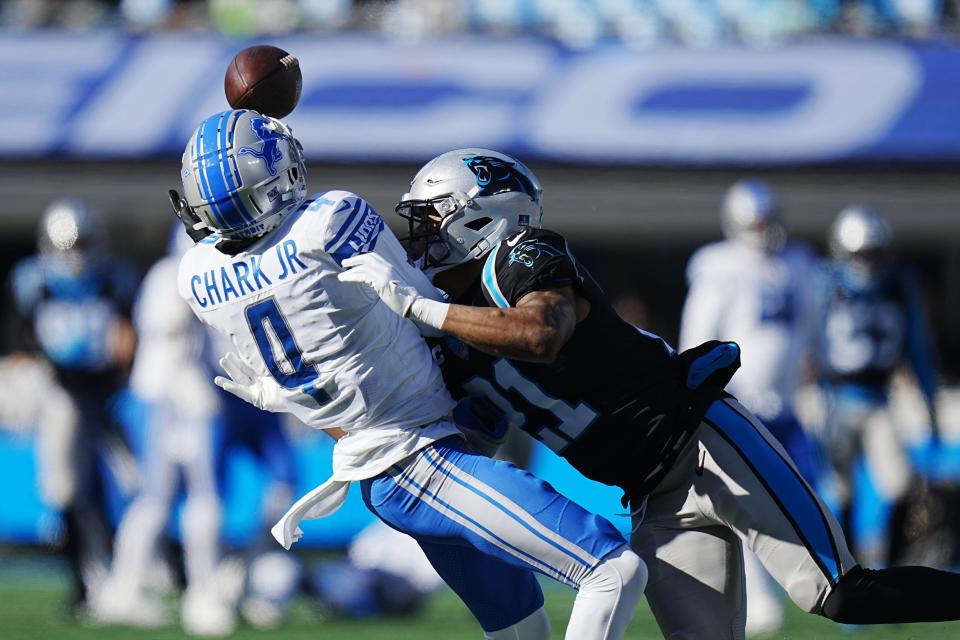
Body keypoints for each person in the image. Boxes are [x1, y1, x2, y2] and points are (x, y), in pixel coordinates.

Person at [340, 147, 960, 639]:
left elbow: (541, 332)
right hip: (650, 495)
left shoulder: (524, 255)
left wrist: (420, 308)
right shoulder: (446, 325)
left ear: (481, 213)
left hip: (703, 442)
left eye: (430, 217)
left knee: (838, 594)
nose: (417, 238)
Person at [171, 109, 646, 640]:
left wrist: (287, 396)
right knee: (612, 568)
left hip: (381, 466)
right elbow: (425, 303)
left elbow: (327, 384)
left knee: (520, 629)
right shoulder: (331, 218)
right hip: (420, 460)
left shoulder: (196, 275)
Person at [678, 178, 820, 635]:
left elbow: (810, 334)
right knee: (748, 507)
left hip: (788, 406)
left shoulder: (797, 263)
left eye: (766, 220)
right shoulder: (719, 266)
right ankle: (760, 597)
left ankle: (806, 586)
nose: (763, 230)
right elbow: (696, 340)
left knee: (807, 501)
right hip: (740, 406)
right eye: (754, 222)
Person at [10, 198, 138, 617]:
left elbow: (126, 338)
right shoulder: (34, 282)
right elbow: (24, 344)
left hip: (110, 395)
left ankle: (146, 575)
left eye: (83, 245)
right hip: (62, 395)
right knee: (66, 490)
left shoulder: (114, 279)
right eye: (69, 246)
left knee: (136, 486)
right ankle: (85, 584)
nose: (77, 257)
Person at [817, 205, 940, 564]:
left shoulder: (899, 284)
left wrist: (928, 398)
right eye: (860, 253)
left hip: (880, 399)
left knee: (901, 484)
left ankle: (890, 567)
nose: (867, 261)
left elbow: (917, 345)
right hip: (835, 397)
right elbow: (809, 342)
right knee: (839, 492)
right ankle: (847, 574)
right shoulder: (824, 282)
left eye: (873, 252)